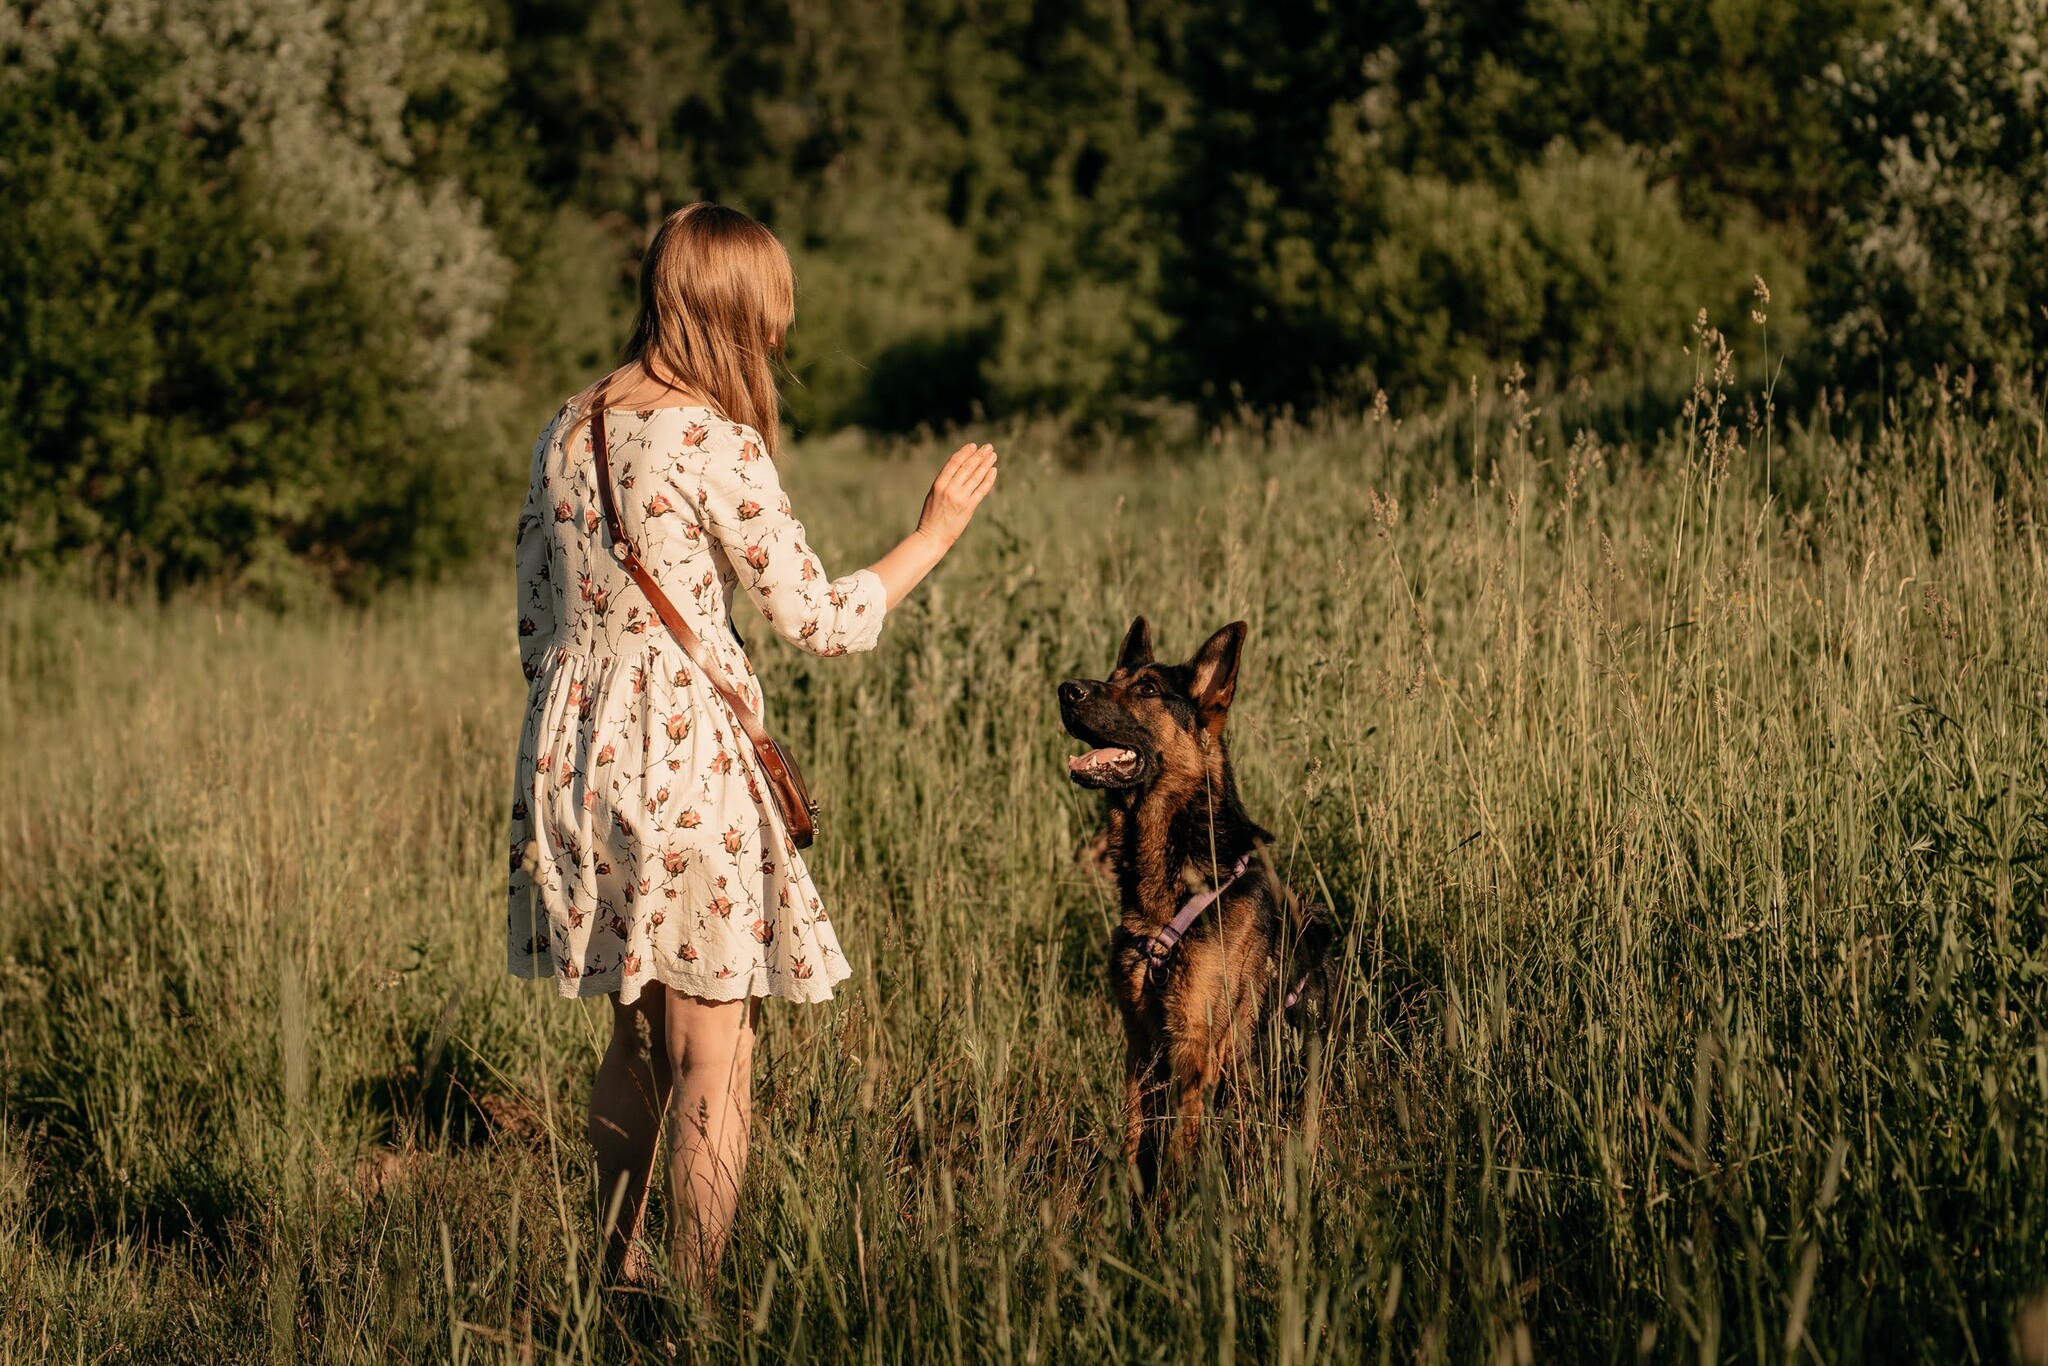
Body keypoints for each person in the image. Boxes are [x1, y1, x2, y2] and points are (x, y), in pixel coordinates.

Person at [505, 202, 997, 1291]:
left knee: (631, 1044)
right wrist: (933, 534)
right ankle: (693, 1309)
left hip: (573, 757)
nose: (777, 338)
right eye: (768, 316)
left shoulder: (562, 428)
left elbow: (536, 626)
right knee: (709, 1066)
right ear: (728, 313)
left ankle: (612, 1277)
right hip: (684, 765)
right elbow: (818, 618)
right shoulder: (709, 439)